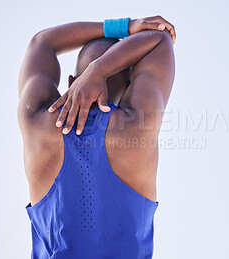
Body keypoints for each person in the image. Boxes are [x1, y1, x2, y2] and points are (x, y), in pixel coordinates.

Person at [17, 15, 176, 258]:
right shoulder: (136, 128)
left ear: (72, 82)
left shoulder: (38, 121)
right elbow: (160, 39)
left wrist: (124, 27)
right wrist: (99, 70)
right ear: (127, 91)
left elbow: (42, 42)